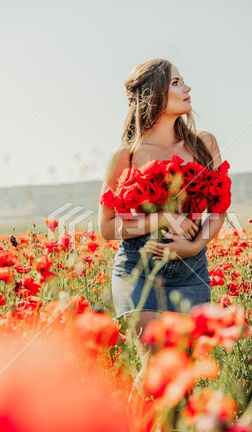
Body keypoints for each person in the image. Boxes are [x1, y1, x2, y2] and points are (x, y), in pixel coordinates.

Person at [98, 58, 227, 331]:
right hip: (137, 268)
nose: (187, 88)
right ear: (153, 93)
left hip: (191, 271)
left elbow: (218, 211)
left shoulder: (204, 144)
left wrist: (192, 246)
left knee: (181, 367)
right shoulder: (126, 154)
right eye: (176, 83)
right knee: (153, 359)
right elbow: (107, 227)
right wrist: (165, 218)